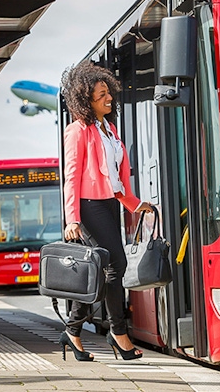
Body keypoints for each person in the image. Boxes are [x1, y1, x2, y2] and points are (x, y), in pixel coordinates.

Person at [60, 62, 153, 362]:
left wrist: (136, 205)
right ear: (85, 100)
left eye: (108, 93)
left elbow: (117, 178)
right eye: (101, 95)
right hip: (88, 206)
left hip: (110, 204)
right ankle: (118, 332)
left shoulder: (110, 130)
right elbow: (71, 176)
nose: (108, 99)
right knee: (117, 265)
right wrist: (72, 217)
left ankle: (73, 330)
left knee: (102, 269)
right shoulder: (78, 131)